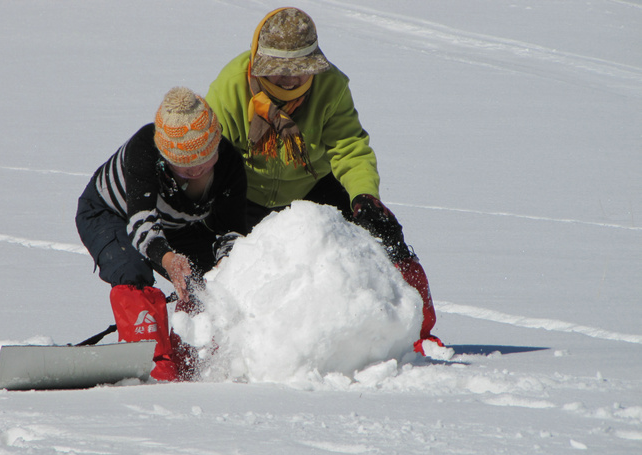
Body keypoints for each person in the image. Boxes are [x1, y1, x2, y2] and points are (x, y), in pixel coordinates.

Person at [206, 7, 443, 355]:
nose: (289, 79)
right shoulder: (230, 87)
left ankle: (417, 333)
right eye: (279, 70)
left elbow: (349, 148)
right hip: (243, 192)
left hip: (312, 187)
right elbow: (213, 157)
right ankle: (209, 342)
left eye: (300, 69)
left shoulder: (332, 87)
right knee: (214, 259)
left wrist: (364, 197)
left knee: (384, 234)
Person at [76, 87, 247, 381]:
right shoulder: (144, 149)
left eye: (203, 161)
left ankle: (192, 359)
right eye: (183, 165)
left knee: (200, 281)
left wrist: (223, 266)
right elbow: (141, 223)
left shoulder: (230, 165)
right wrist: (167, 258)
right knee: (132, 270)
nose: (195, 171)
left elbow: (229, 230)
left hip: (174, 225)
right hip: (110, 214)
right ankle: (153, 364)